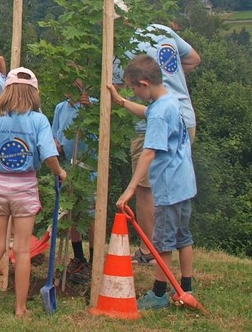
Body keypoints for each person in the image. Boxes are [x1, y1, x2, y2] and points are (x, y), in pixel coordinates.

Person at [0, 68, 67, 318]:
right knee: (23, 250)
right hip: (25, 187)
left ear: (7, 90)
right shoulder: (39, 120)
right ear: (34, 92)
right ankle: (20, 308)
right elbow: (49, 155)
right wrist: (59, 172)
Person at [111, 54, 197, 310]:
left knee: (163, 242)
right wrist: (122, 102)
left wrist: (129, 189)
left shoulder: (159, 113)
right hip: (185, 182)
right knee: (183, 237)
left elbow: (149, 152)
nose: (134, 93)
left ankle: (159, 294)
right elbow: (148, 112)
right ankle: (185, 286)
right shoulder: (169, 100)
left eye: (134, 89)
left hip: (169, 187)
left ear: (144, 83)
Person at [116, 23, 200, 265]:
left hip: (151, 128)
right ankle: (184, 281)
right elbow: (194, 59)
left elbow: (149, 153)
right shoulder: (162, 31)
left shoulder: (124, 44)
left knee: (146, 189)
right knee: (174, 181)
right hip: (186, 116)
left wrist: (129, 188)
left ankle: (150, 251)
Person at [52, 81, 97, 284]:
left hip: (89, 172)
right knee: (73, 213)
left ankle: (95, 262)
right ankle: (79, 257)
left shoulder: (93, 105)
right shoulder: (60, 108)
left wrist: (89, 110)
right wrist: (55, 145)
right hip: (68, 170)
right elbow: (55, 136)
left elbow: (102, 132)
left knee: (91, 215)